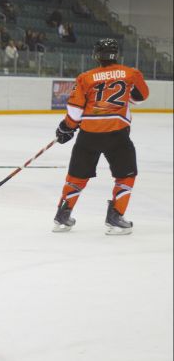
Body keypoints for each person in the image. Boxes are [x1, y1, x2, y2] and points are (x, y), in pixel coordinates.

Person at [53, 38, 149, 235]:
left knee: (76, 176)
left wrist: (66, 127)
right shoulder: (131, 73)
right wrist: (127, 94)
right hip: (117, 134)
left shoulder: (85, 77)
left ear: (96, 55)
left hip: (89, 135)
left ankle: (62, 215)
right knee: (126, 175)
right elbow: (141, 96)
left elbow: (75, 111)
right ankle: (115, 217)